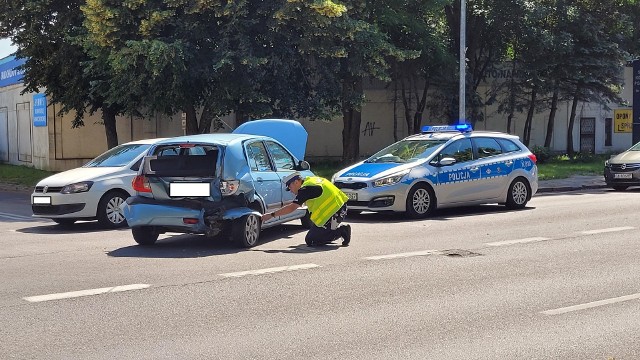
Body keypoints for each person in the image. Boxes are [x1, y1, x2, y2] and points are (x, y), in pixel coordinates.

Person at [261, 172, 351, 247]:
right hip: (339, 208)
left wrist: (271, 215)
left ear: (296, 182)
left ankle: (342, 231)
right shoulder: (312, 181)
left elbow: (292, 207)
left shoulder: (305, 189)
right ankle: (329, 231)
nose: (291, 191)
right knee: (315, 236)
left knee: (312, 240)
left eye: (290, 187)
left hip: (334, 213)